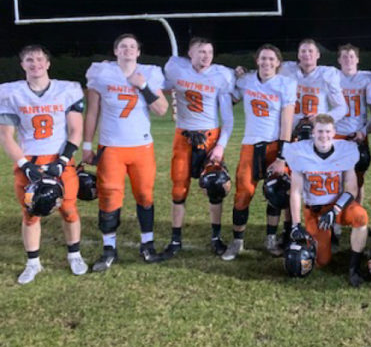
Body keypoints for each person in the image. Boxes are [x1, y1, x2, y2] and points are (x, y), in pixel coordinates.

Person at [0, 45, 87, 283]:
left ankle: (74, 255)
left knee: (68, 210)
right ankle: (33, 263)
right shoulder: (11, 93)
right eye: (29, 60)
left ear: (48, 64)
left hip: (60, 159)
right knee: (31, 213)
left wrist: (63, 160)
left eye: (39, 59)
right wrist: (24, 164)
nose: (35, 64)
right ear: (22, 65)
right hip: (29, 160)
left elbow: (76, 130)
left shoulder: (66, 90)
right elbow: (6, 136)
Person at [82, 33, 169, 270]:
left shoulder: (149, 73)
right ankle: (109, 249)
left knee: (145, 196)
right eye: (123, 46)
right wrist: (87, 145)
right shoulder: (101, 73)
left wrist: (143, 85)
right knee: (109, 197)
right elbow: (92, 111)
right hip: (111, 148)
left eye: (132, 46)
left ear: (138, 52)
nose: (128, 49)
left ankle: (147, 245)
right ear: (116, 51)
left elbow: (162, 109)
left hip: (142, 147)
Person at [162, 37, 235, 257]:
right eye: (201, 51)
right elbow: (161, 85)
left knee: (216, 187)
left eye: (209, 52)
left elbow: (228, 119)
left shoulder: (221, 75)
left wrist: (220, 146)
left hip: (209, 138)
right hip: (183, 137)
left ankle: (216, 238)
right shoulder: (177, 69)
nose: (206, 56)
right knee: (178, 189)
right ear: (190, 54)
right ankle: (175, 240)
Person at [222, 44, 296, 260]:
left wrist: (282, 156)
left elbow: (287, 121)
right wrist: (236, 75)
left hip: (275, 145)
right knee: (243, 192)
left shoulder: (285, 84)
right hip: (251, 144)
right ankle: (237, 241)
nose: (267, 62)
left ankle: (271, 239)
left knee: (277, 192)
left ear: (278, 63)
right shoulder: (246, 81)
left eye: (271, 59)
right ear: (257, 61)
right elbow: (232, 98)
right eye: (263, 58)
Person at [283, 114, 369, 286]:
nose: (324, 136)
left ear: (334, 132)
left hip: (338, 205)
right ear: (313, 133)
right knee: (322, 261)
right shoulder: (299, 151)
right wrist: (295, 224)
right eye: (320, 131)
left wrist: (335, 210)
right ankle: (326, 240)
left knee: (361, 216)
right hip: (314, 209)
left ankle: (354, 267)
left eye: (328, 131)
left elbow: (352, 189)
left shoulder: (345, 149)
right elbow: (296, 192)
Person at [336, 43, 371, 203]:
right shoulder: (332, 76)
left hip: (358, 134)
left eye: (351, 56)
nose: (348, 60)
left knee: (359, 179)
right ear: (339, 60)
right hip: (336, 134)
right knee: (336, 178)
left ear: (358, 59)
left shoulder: (368, 78)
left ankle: (357, 212)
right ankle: (338, 215)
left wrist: (364, 131)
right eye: (344, 56)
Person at [280, 39, 347, 130]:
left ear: (318, 55)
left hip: (318, 130)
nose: (307, 54)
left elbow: (342, 108)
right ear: (298, 55)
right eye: (303, 51)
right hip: (290, 128)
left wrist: (322, 118)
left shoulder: (327, 74)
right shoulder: (286, 70)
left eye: (310, 51)